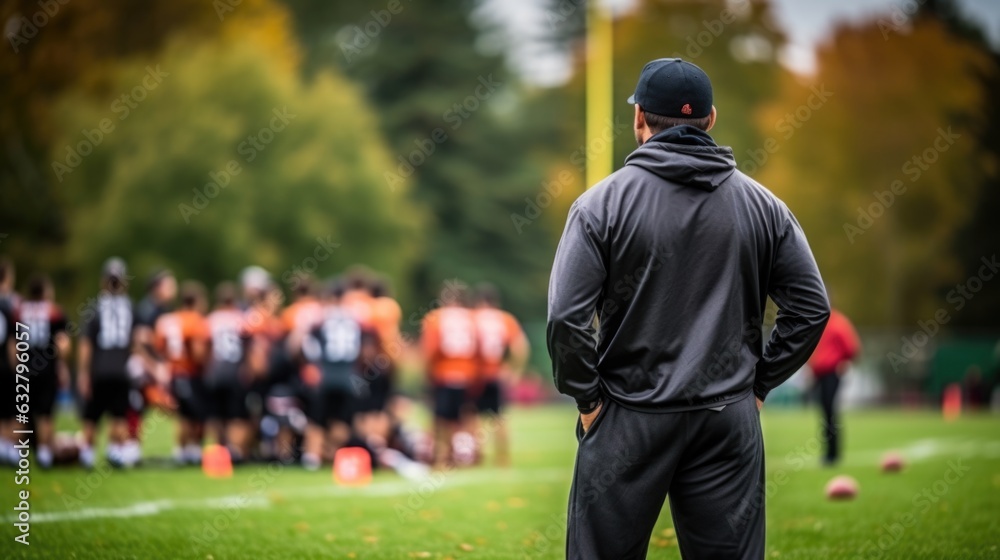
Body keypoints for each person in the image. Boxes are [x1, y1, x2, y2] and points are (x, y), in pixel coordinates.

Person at [547, 58, 830, 559]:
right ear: (711, 118)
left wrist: (588, 401)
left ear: (640, 121)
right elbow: (811, 309)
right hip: (726, 418)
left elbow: (567, 319)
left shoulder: (600, 205)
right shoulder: (766, 206)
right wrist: (758, 384)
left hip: (627, 415)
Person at [295, 281, 365, 470]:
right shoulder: (356, 317)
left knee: (317, 419)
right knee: (343, 421)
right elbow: (364, 348)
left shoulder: (320, 317)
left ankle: (313, 458)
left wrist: (311, 365)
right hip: (348, 376)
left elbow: (306, 345)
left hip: (325, 374)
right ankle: (335, 456)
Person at [77, 258, 137, 468]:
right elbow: (136, 341)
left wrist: (83, 372)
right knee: (118, 414)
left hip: (99, 369)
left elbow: (86, 344)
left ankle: (88, 455)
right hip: (121, 369)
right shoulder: (130, 307)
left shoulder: (95, 307)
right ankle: (114, 452)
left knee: (92, 416)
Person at [10, 274, 70, 469]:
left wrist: (16, 367)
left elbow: (13, 345)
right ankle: (44, 454)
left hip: (25, 368)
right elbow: (62, 344)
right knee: (46, 414)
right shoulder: (54, 312)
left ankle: (18, 454)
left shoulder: (19, 311)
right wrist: (61, 364)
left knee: (22, 413)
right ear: (45, 291)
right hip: (46, 368)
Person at [421, 282, 479, 469]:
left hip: (444, 373)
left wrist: (427, 372)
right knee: (465, 417)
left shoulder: (435, 318)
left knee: (441, 418)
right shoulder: (472, 318)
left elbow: (430, 350)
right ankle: (467, 455)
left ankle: (441, 456)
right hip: (468, 374)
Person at [470, 283, 528, 467]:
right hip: (496, 373)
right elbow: (520, 347)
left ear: (478, 301)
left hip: (476, 375)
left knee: (473, 415)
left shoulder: (473, 317)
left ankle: (476, 456)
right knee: (499, 417)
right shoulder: (505, 319)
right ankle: (502, 458)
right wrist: (513, 370)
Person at [155, 281, 209, 465]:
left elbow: (160, 348)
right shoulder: (196, 320)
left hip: (173, 373)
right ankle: (190, 450)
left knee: (184, 414)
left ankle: (182, 450)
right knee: (195, 414)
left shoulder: (169, 319)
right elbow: (198, 353)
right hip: (189, 372)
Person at [130, 269, 177, 463]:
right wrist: (154, 367)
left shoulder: (163, 309)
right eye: (169, 284)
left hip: (157, 366)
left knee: (166, 404)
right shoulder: (147, 310)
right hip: (142, 365)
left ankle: (180, 447)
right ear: (157, 287)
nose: (174, 288)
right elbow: (138, 343)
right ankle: (130, 449)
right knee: (137, 404)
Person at [204, 282, 251, 461]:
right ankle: (234, 451)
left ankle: (219, 452)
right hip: (235, 371)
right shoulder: (242, 318)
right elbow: (248, 344)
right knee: (236, 414)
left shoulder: (212, 318)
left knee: (217, 414)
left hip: (215, 371)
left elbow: (204, 348)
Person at [807, 306, 860, 466]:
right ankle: (829, 453)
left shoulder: (837, 322)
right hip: (819, 374)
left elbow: (851, 346)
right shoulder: (816, 320)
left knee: (829, 410)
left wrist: (845, 361)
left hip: (832, 373)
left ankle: (833, 454)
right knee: (825, 411)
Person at [0, 258, 20, 465]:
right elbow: (12, 343)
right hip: (4, 366)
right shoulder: (9, 305)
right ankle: (6, 447)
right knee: (8, 410)